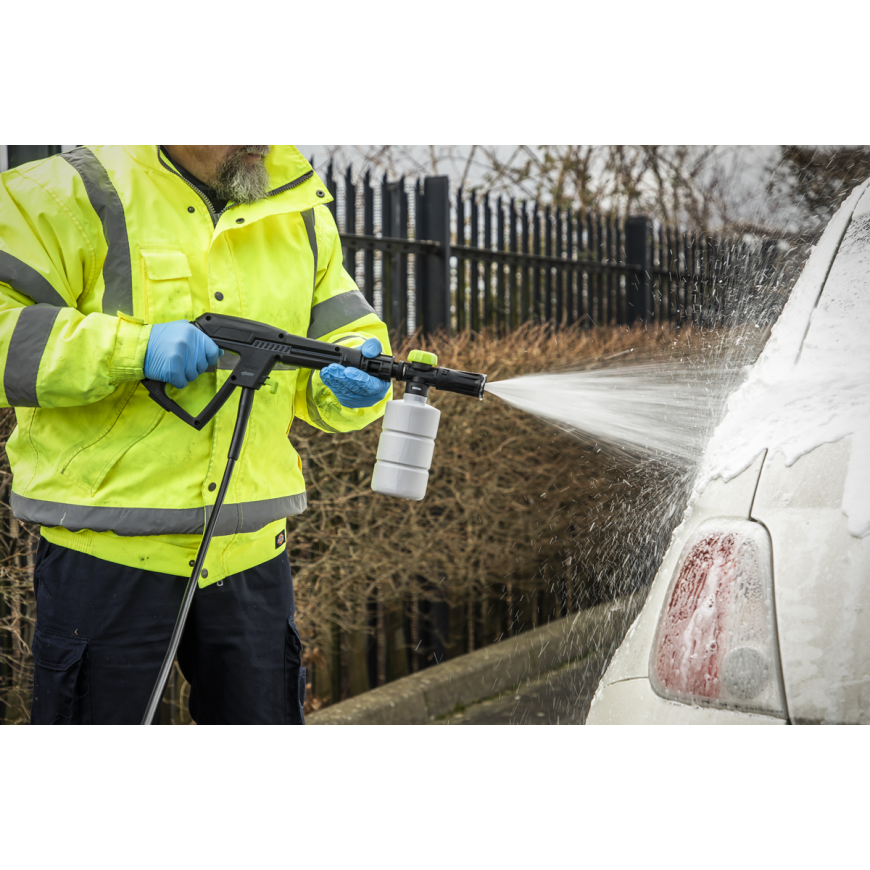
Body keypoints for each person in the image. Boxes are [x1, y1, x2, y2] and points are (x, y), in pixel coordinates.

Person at [0, 145, 392, 725]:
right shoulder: (60, 191)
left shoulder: (298, 208)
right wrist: (133, 349)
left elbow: (345, 339)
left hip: (252, 551)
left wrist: (356, 381)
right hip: (107, 551)